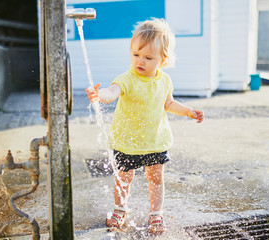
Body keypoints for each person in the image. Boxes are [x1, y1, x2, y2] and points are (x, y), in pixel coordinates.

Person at [86, 18, 204, 235]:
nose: (140, 61)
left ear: (163, 59)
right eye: (135, 55)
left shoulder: (165, 81)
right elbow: (112, 92)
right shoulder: (127, 78)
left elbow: (168, 103)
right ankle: (120, 209)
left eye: (148, 57)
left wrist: (188, 111)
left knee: (156, 178)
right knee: (124, 177)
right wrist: (98, 96)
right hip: (127, 142)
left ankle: (156, 214)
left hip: (154, 141)